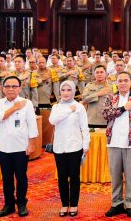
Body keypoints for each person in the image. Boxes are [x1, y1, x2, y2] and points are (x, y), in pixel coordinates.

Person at [102, 72, 131, 218]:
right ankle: (116, 203)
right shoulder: (111, 98)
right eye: (120, 81)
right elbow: (105, 114)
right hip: (114, 142)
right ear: (116, 83)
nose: (123, 83)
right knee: (115, 176)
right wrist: (124, 108)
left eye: (125, 80)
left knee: (130, 176)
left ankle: (130, 204)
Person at [0, 76, 38, 217]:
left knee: (21, 176)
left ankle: (22, 203)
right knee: (7, 177)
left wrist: (32, 143)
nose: (11, 89)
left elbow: (32, 124)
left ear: (19, 88)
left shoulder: (27, 103)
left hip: (21, 147)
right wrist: (15, 108)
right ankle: (9, 204)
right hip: (3, 146)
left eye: (14, 86)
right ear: (2, 88)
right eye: (8, 86)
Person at [49, 80, 90, 217]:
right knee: (61, 177)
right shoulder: (56, 107)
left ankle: (74, 204)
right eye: (63, 90)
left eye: (69, 90)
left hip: (75, 146)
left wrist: (86, 145)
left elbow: (84, 127)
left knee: (74, 177)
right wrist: (68, 110)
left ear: (73, 91)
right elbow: (52, 121)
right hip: (59, 147)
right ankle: (64, 204)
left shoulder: (79, 107)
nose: (66, 93)